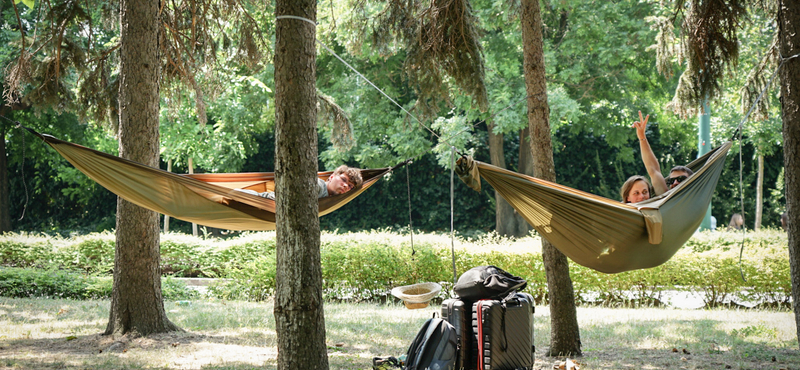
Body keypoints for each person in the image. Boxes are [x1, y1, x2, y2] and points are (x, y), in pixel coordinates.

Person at [633, 111, 694, 196]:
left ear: (692, 182)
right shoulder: (665, 197)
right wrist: (642, 137)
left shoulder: (697, 196)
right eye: (671, 181)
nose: (675, 183)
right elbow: (653, 170)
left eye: (681, 179)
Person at [236, 165, 363, 200]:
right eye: (343, 180)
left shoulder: (330, 199)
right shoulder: (318, 185)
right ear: (331, 177)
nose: (346, 185)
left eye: (350, 186)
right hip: (262, 201)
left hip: (265, 208)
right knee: (229, 195)